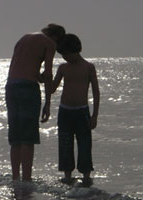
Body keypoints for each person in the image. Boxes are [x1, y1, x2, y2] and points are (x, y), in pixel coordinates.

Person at [5, 24, 66, 181]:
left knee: (16, 136)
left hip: (11, 85)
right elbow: (48, 72)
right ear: (56, 37)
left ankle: (15, 177)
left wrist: (39, 76)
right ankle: (27, 178)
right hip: (28, 88)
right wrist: (47, 103)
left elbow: (25, 66)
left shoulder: (24, 38)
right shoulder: (49, 43)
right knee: (28, 137)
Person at [52, 33, 100, 186]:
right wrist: (43, 78)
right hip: (65, 111)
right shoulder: (63, 67)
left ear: (75, 50)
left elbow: (96, 92)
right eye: (63, 55)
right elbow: (52, 88)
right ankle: (67, 176)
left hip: (82, 111)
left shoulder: (88, 67)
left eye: (66, 54)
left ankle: (86, 177)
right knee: (65, 144)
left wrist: (94, 116)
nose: (65, 58)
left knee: (85, 144)